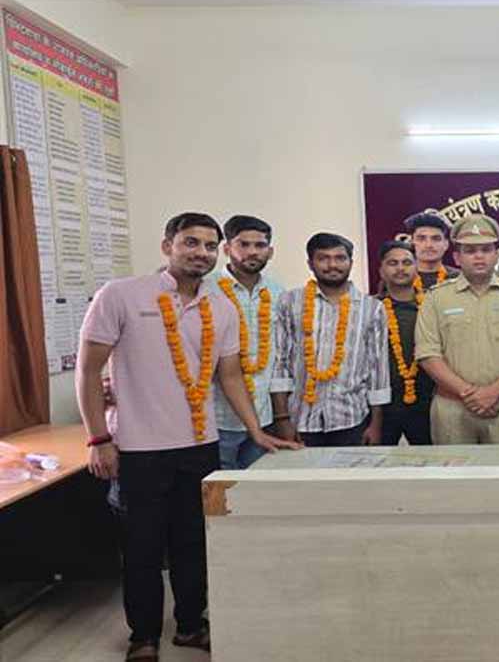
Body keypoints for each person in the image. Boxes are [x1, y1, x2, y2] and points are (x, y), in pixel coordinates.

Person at [76, 212, 297, 662]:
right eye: (190, 242)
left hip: (199, 445)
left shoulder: (220, 307)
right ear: (167, 246)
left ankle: (191, 625)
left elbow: (229, 376)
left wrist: (257, 431)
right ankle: (143, 636)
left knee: (193, 542)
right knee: (142, 546)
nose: (201, 253)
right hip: (137, 448)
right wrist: (99, 440)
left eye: (209, 245)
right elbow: (88, 369)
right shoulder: (121, 294)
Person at [414, 214, 499, 444]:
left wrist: (493, 392)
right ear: (457, 257)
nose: (479, 256)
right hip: (452, 409)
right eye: (470, 250)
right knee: (453, 468)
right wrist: (470, 395)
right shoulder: (435, 297)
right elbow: (427, 354)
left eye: (486, 249)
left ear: (497, 255)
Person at [271, 233, 390, 447]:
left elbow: (378, 369)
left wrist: (376, 425)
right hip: (300, 419)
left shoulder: (372, 308)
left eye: (340, 258)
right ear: (310, 263)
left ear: (350, 262)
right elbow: (279, 362)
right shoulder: (289, 301)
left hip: (352, 418)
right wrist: (282, 419)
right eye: (323, 258)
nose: (332, 265)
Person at [206, 215, 286, 469]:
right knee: (220, 489)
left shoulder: (278, 293)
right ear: (227, 249)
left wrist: (282, 415)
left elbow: (281, 357)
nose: (252, 251)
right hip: (216, 418)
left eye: (260, 245)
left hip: (264, 415)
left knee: (258, 489)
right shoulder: (206, 289)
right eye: (243, 244)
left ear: (270, 251)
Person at [378, 240, 434, 445]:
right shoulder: (370, 309)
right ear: (381, 270)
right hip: (383, 405)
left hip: (427, 401)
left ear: (416, 267)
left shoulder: (432, 305)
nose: (400, 268)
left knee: (431, 461)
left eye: (407, 262)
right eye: (393, 263)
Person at [403, 210, 460, 292]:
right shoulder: (399, 278)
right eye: (421, 239)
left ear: (446, 244)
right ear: (411, 242)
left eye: (436, 239)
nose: (429, 245)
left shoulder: (460, 279)